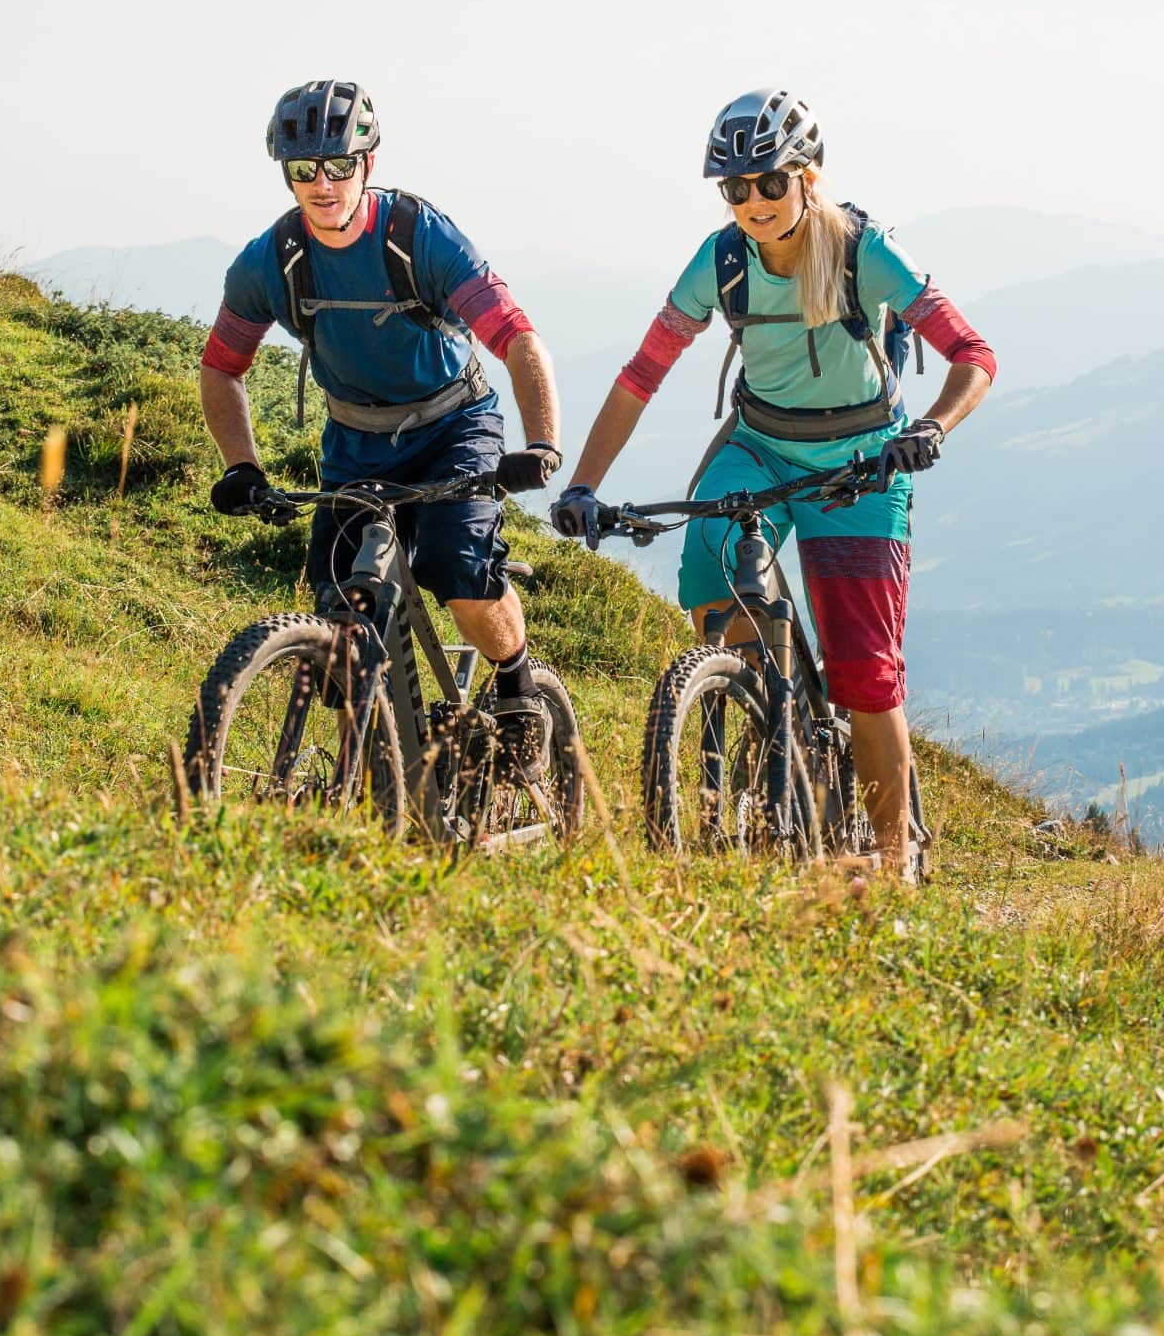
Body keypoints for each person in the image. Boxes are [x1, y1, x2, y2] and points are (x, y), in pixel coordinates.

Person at [553, 89, 996, 881]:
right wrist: (584, 483)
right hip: (757, 444)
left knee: (864, 670)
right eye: (735, 187)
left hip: (862, 464)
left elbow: (972, 353)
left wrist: (930, 427)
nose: (752, 201)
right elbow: (640, 377)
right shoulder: (720, 262)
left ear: (809, 177)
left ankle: (897, 858)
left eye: (769, 181)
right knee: (709, 557)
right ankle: (769, 704)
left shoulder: (864, 252)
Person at [200, 79, 563, 755]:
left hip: (456, 425)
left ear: (367, 162)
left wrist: (542, 443)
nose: (322, 183)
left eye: (339, 165)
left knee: (460, 566)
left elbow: (515, 337)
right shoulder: (271, 262)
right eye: (303, 170)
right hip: (356, 441)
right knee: (336, 613)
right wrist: (241, 465)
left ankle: (516, 688)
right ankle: (380, 773)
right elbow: (222, 364)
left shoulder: (418, 237)